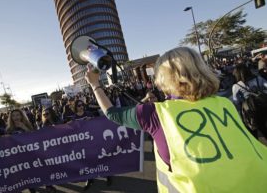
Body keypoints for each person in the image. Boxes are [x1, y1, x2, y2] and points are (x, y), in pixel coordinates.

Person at [85, 47, 267, 193]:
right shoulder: (224, 103)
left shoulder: (154, 114)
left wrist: (95, 84)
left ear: (164, 78)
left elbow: (112, 113)